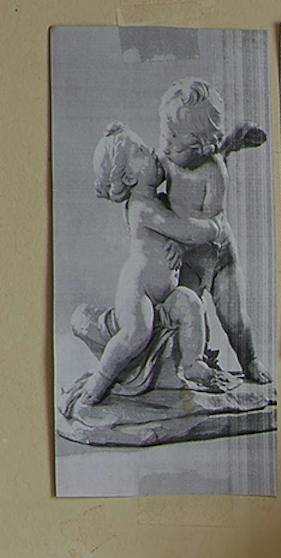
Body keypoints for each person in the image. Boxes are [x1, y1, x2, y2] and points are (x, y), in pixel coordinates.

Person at [76, 125, 224, 410]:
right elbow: (188, 231)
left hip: (166, 293)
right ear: (130, 176)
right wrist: (213, 227)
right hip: (138, 292)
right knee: (136, 333)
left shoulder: (158, 201)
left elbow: (177, 233)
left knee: (191, 304)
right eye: (141, 151)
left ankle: (193, 364)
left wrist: (176, 245)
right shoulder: (143, 207)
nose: (153, 152)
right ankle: (101, 378)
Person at [155, 75, 270, 386]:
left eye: (174, 137)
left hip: (219, 258)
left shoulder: (213, 171)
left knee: (235, 319)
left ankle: (251, 361)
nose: (166, 143)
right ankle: (197, 365)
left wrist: (179, 240)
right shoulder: (169, 159)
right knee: (191, 314)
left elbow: (211, 227)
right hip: (189, 261)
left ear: (200, 143)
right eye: (165, 132)